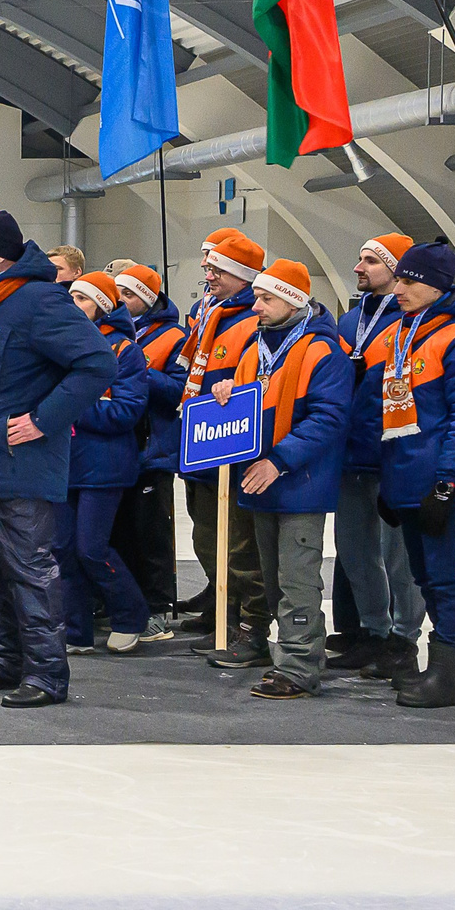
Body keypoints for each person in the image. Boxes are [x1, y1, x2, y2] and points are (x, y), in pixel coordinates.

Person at [0, 210, 117, 709]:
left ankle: (45, 674)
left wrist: (43, 419)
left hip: (18, 463)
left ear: (0, 256)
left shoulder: (38, 300)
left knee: (29, 572)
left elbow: (97, 363)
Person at [359, 240, 455, 709]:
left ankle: (451, 671)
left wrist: (447, 483)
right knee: (424, 575)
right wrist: (388, 478)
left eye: (408, 280)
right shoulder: (400, 332)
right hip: (405, 476)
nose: (398, 288)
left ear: (436, 286)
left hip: (442, 481)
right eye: (397, 279)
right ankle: (447, 664)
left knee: (446, 574)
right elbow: (385, 411)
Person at [220, 260, 353, 700]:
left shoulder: (323, 351)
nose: (255, 305)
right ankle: (289, 654)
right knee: (275, 580)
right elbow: (251, 401)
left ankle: (299, 667)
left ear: (293, 301)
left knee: (297, 581)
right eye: (256, 296)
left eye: (266, 298)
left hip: (299, 483)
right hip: (261, 482)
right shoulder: (257, 346)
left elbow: (328, 418)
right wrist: (225, 393)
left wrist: (278, 461)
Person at [329, 233, 425, 681]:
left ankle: (404, 639)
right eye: (360, 258)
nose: (358, 267)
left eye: (370, 260)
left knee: (400, 559)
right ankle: (372, 632)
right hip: (351, 455)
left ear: (397, 269)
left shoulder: (414, 321)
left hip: (393, 456)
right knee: (354, 552)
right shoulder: (350, 320)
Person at [181, 229, 268, 644]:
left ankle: (245, 623)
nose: (208, 274)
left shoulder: (254, 319)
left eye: (218, 269)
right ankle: (222, 611)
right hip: (201, 441)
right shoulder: (209, 312)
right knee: (206, 538)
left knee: (238, 545)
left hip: (233, 445)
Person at [57, 273, 151, 655]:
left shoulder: (125, 350)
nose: (73, 304)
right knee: (63, 550)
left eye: (82, 298)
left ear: (103, 306)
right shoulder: (60, 346)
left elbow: (127, 410)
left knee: (91, 549)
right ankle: (76, 630)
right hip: (63, 464)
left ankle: (131, 616)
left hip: (104, 465)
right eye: (71, 297)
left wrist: (69, 407)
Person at [112, 263, 183, 623]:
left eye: (128, 294)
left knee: (152, 534)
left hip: (154, 448)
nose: (120, 300)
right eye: (117, 293)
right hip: (117, 448)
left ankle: (159, 605)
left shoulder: (174, 337)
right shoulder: (109, 333)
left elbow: (180, 390)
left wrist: (139, 370)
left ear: (149, 298)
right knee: (120, 532)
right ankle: (125, 603)